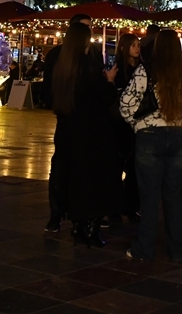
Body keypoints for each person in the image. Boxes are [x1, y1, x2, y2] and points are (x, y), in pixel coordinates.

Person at [120, 30, 182, 262]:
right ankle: (178, 249)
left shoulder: (146, 71)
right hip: (179, 137)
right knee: (174, 196)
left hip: (150, 136)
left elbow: (126, 105)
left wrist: (138, 124)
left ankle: (145, 248)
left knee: (149, 196)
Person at [48, 22, 121, 244]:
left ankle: (77, 222)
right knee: (92, 179)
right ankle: (89, 227)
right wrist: (110, 81)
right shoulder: (88, 66)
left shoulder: (62, 66)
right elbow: (104, 96)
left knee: (73, 177)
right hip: (91, 132)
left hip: (68, 128)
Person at [113, 33, 142, 219]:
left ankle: (130, 205)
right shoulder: (119, 69)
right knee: (118, 164)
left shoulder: (140, 68)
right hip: (120, 123)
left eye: (138, 45)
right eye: (133, 45)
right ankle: (117, 206)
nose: (137, 48)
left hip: (135, 123)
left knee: (133, 166)